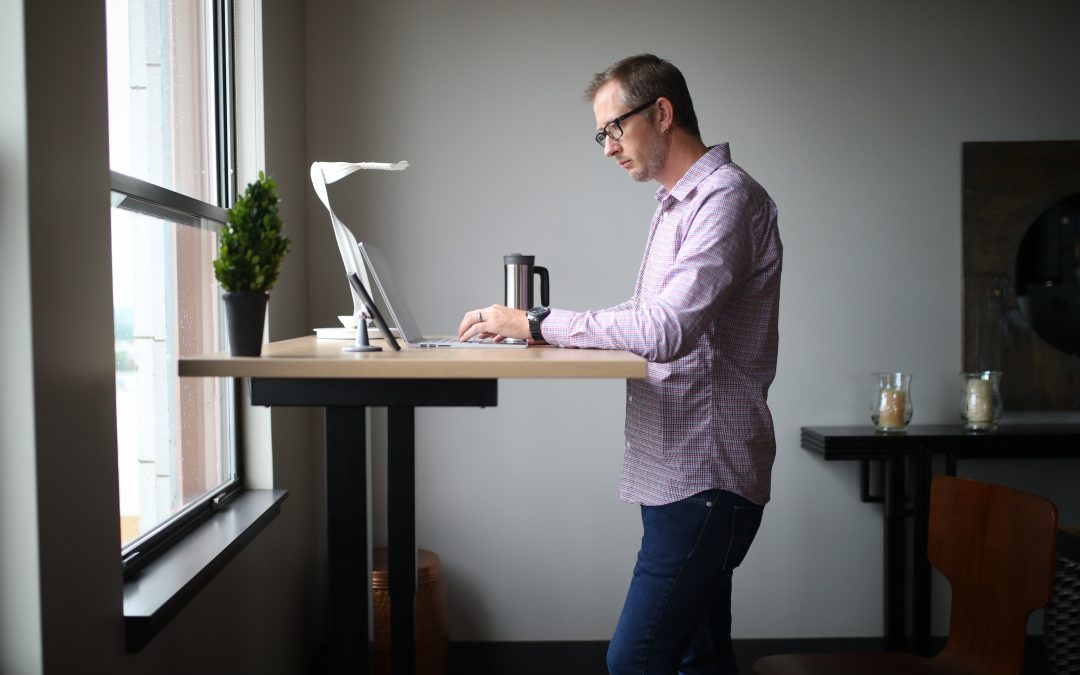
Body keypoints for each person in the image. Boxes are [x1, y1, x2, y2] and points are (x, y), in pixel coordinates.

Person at [457, 54, 782, 675]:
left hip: (704, 476)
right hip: (677, 469)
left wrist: (537, 321)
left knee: (634, 661)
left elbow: (664, 329)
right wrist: (538, 332)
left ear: (661, 113)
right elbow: (645, 318)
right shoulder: (676, 205)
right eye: (600, 133)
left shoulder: (726, 200)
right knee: (697, 659)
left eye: (614, 129)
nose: (606, 148)